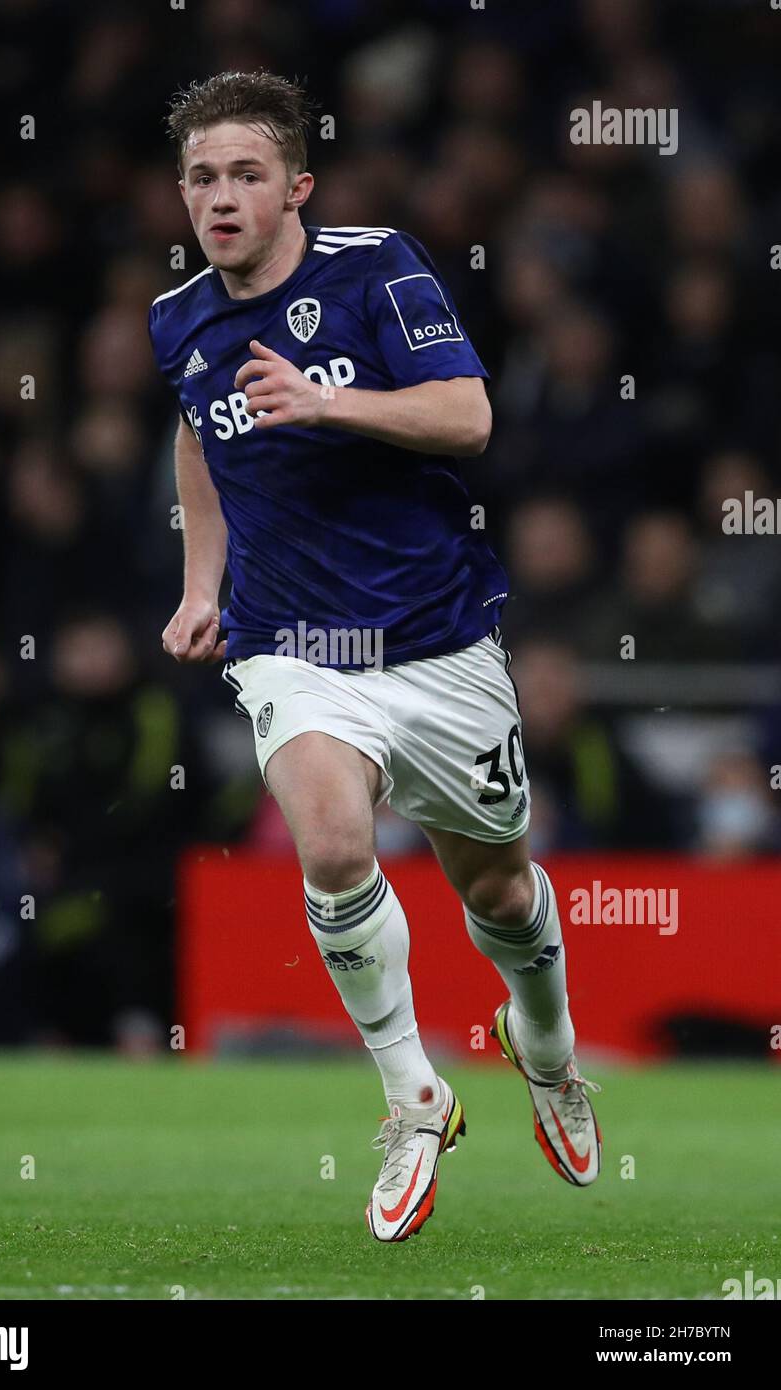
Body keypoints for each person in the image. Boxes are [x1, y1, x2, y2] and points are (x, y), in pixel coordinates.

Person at [149, 70, 601, 1242]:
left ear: (298, 184)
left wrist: (328, 404)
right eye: (202, 176)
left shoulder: (376, 266)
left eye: (247, 173)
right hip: (292, 641)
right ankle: (413, 1095)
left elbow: (466, 416)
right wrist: (202, 584)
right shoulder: (181, 319)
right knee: (336, 844)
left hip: (436, 636)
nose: (222, 197)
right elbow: (202, 443)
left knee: (494, 885)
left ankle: (543, 1047)